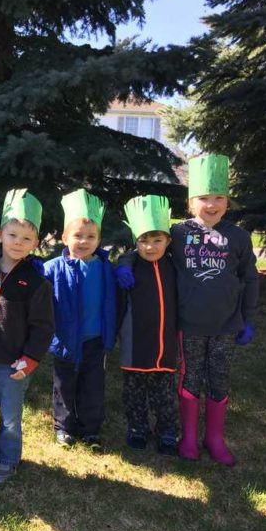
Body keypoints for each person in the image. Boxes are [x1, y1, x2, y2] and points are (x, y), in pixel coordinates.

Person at [117, 154, 259, 466]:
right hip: (189, 325)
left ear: (227, 201)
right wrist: (124, 265)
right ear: (191, 202)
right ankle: (190, 438)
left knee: (219, 380)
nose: (212, 204)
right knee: (191, 378)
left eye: (219, 197)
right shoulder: (178, 234)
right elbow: (141, 246)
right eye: (204, 198)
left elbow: (249, 278)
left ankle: (215, 438)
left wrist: (248, 320)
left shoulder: (238, 236)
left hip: (226, 324)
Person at [0, 189, 55, 486]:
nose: (18, 243)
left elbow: (43, 326)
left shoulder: (35, 282)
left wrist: (30, 360)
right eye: (13, 235)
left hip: (14, 365)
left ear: (36, 243)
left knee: (11, 418)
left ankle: (7, 460)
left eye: (26, 238)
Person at [43, 190, 116, 451]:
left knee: (92, 385)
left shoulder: (107, 268)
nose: (84, 241)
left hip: (95, 339)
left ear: (98, 240)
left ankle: (90, 428)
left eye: (91, 237)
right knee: (64, 385)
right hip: (65, 339)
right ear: (64, 237)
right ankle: (64, 428)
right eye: (77, 236)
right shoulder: (51, 268)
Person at [116, 195, 179, 455]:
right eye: (143, 241)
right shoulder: (129, 267)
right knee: (134, 392)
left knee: (164, 394)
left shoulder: (175, 266)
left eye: (157, 240)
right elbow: (117, 304)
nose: (150, 247)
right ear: (135, 242)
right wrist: (123, 264)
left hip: (165, 342)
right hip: (135, 342)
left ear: (168, 241)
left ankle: (167, 433)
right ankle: (137, 429)